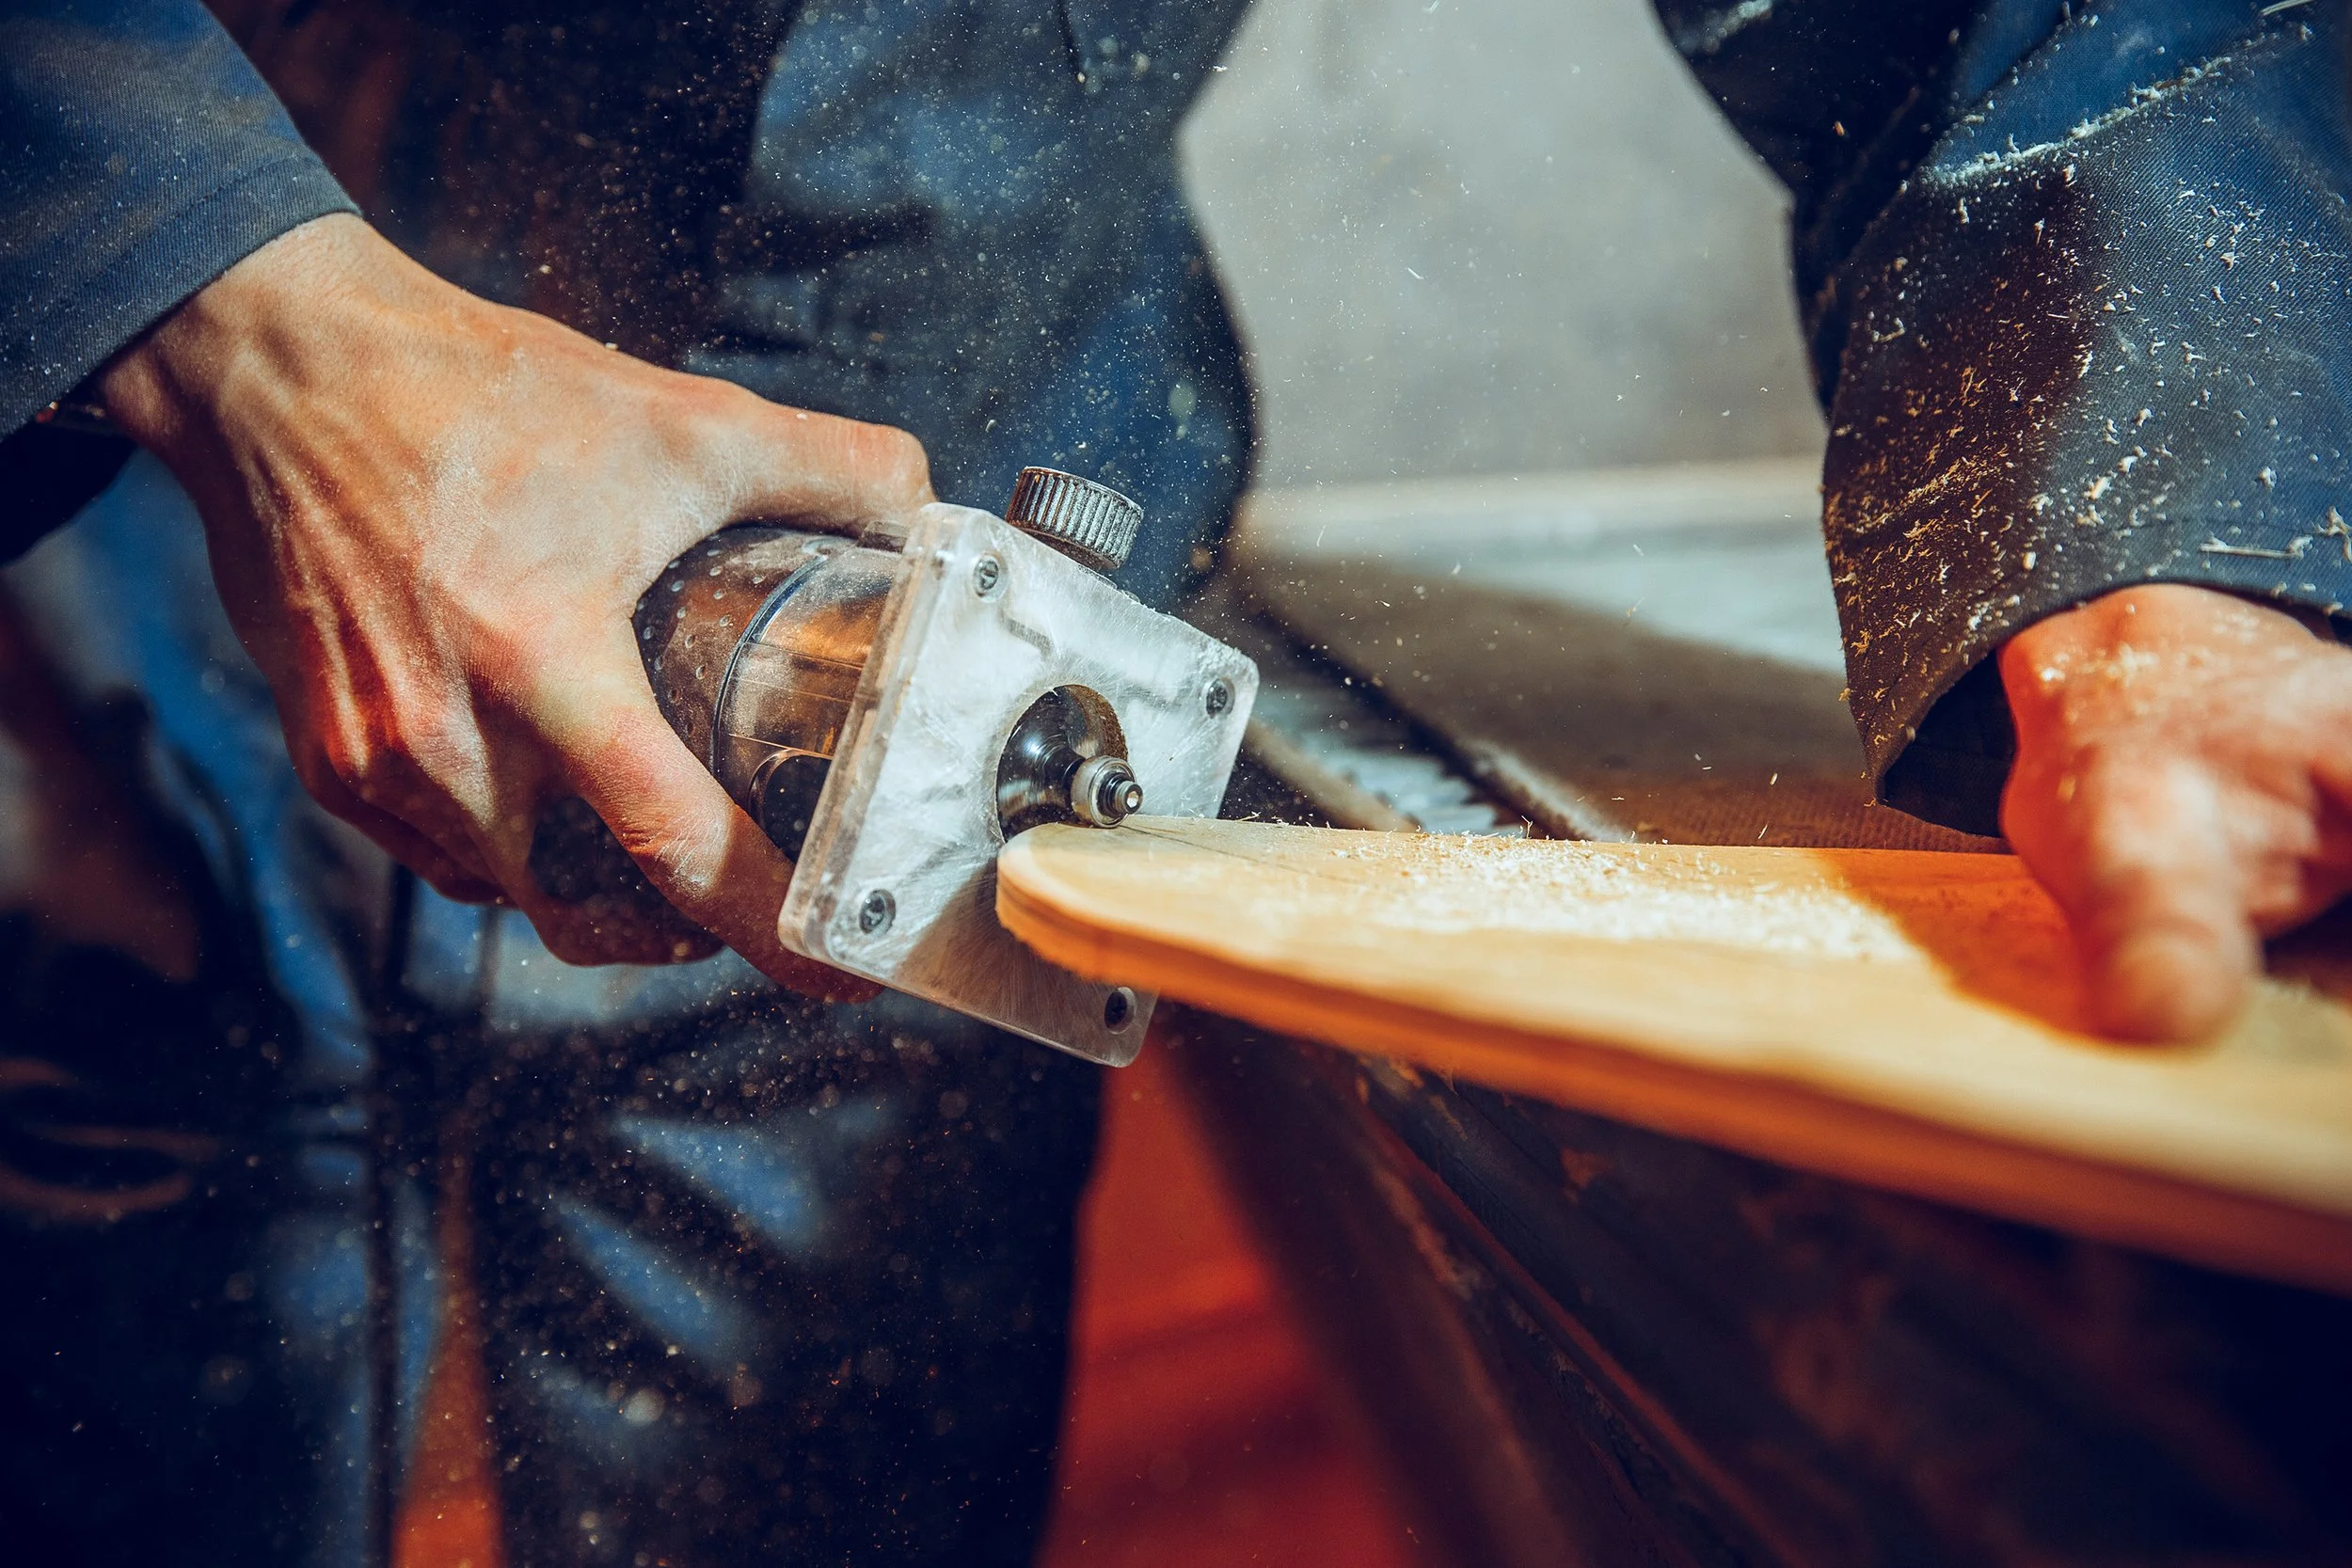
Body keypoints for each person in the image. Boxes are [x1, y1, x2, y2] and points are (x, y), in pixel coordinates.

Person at [3, 0, 2347, 1560]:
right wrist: (213, 286)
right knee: (153, 1265)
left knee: (792, 1404)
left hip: (970, 388)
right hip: (129, 396)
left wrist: (2175, 519)